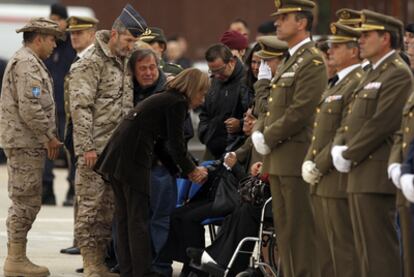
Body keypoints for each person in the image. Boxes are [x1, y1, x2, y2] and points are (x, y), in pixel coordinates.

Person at [94, 68, 209, 277]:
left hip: (117, 157)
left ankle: (129, 271)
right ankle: (142, 272)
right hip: (132, 160)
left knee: (125, 218)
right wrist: (192, 170)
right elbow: (175, 145)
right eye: (202, 93)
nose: (202, 99)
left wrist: (182, 171)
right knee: (137, 220)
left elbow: (162, 146)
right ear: (193, 89)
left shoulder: (164, 98)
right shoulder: (177, 103)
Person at [67, 4, 148, 276]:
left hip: (117, 152)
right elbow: (80, 107)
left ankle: (101, 262)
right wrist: (86, 147)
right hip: (96, 149)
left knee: (109, 210)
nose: (132, 45)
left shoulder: (124, 58)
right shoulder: (91, 62)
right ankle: (91, 263)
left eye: (135, 41)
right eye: (128, 39)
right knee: (90, 208)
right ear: (114, 34)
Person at [331, 10, 412, 277]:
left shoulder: (397, 73)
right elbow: (351, 119)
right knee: (365, 252)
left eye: (366, 35)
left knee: (381, 254)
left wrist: (349, 152)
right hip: (358, 172)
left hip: (375, 173)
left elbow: (382, 123)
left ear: (385, 38)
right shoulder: (371, 74)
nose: (360, 40)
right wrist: (339, 146)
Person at [251, 1, 327, 276]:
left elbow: (301, 111)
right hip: (279, 160)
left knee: (302, 234)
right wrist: (260, 131)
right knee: (286, 233)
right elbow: (272, 108)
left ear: (302, 23)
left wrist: (266, 136)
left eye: (284, 17)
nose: (277, 23)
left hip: (296, 158)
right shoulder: (291, 61)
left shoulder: (312, 60)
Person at [0, 17, 63, 277]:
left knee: (28, 200)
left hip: (27, 141)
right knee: (25, 201)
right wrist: (48, 137)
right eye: (51, 40)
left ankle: (17, 256)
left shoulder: (30, 62)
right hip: (25, 142)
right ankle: (15, 259)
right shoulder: (26, 64)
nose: (54, 46)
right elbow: (30, 107)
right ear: (38, 39)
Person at [302, 22, 363, 277]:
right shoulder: (336, 83)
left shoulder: (356, 83)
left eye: (336, 47)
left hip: (337, 176)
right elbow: (319, 132)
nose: (330, 52)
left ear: (353, 51)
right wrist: (309, 160)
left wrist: (319, 163)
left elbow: (346, 131)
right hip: (322, 178)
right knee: (325, 249)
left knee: (344, 251)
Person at [60, 15, 99, 256]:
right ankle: (80, 240)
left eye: (80, 33)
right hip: (77, 137)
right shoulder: (79, 59)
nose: (74, 37)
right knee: (80, 191)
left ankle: (88, 246)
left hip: (90, 139)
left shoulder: (92, 61)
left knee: (89, 195)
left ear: (93, 34)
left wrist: (86, 142)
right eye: (72, 33)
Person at [42, 3, 77, 206]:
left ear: (66, 22)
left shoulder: (72, 46)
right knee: (47, 151)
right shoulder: (46, 44)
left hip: (69, 108)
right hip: (47, 109)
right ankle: (47, 189)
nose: (54, 23)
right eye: (51, 18)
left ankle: (73, 188)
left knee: (71, 150)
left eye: (58, 19)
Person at [198, 43, 253, 160]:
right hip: (212, 149)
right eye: (212, 71)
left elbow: (256, 114)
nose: (217, 75)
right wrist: (205, 134)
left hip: (237, 152)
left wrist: (240, 123)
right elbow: (205, 112)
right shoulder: (214, 81)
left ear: (232, 62)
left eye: (220, 70)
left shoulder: (247, 81)